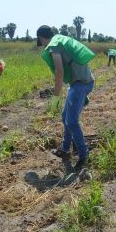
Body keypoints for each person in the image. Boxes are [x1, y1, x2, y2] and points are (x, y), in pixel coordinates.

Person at [36, 25, 96, 170]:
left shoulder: (54, 46)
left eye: (40, 41)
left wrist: (56, 97)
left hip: (80, 85)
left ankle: (83, 155)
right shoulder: (61, 40)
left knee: (72, 121)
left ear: (41, 38)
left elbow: (59, 72)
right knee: (65, 117)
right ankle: (65, 149)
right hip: (82, 83)